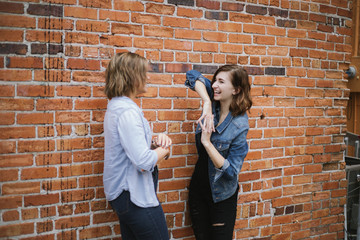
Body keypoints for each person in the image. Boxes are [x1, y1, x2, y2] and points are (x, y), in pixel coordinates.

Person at [103, 52, 171, 240]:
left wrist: (154, 142)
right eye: (144, 72)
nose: (148, 77)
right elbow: (142, 161)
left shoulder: (117, 107)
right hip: (134, 196)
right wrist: (164, 149)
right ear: (131, 77)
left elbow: (128, 147)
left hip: (124, 195)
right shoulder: (127, 112)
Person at [185, 65, 252, 240]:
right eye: (215, 80)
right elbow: (192, 75)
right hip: (199, 190)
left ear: (236, 90)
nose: (214, 85)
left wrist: (207, 143)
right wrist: (206, 102)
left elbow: (231, 173)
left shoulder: (239, 125)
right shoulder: (214, 99)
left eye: (221, 82)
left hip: (222, 196)